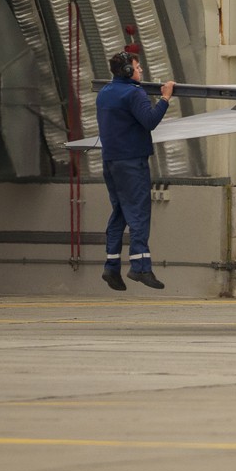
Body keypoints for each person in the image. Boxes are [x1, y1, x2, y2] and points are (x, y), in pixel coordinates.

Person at [97, 51, 174, 291]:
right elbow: (149, 121)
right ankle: (140, 267)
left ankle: (111, 266)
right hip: (132, 161)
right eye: (138, 67)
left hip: (110, 161)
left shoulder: (104, 93)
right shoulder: (134, 93)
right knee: (139, 212)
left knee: (120, 210)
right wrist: (165, 99)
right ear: (128, 71)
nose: (141, 71)